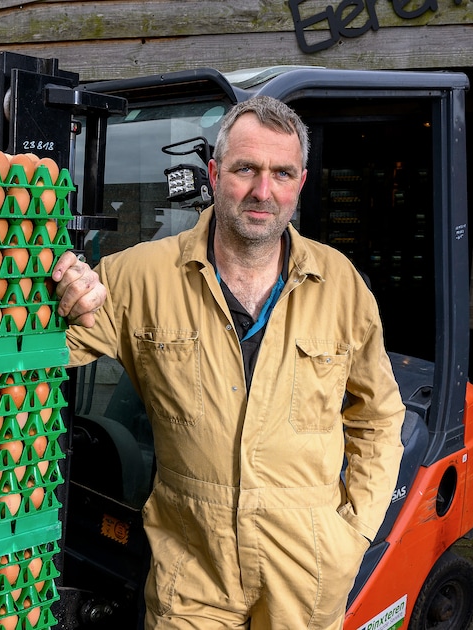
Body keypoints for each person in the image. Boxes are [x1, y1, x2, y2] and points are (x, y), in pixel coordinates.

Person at [51, 95, 406, 629]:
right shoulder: (140, 276)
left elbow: (378, 416)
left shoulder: (341, 285)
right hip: (192, 565)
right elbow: (40, 353)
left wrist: (354, 531)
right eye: (246, 169)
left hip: (306, 571)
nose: (263, 191)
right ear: (216, 172)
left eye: (281, 173)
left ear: (300, 182)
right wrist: (59, 297)